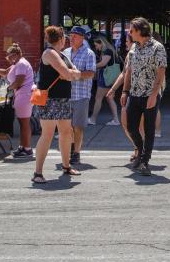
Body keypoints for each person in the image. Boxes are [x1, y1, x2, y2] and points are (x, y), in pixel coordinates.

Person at [32, 25, 80, 184]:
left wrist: (71, 74)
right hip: (50, 100)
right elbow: (69, 73)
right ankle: (37, 172)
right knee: (47, 134)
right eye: (65, 37)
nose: (66, 40)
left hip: (63, 99)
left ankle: (66, 166)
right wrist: (71, 74)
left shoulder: (61, 55)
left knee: (66, 132)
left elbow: (75, 73)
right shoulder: (50, 53)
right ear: (60, 39)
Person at [121, 17, 167, 177]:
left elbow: (161, 71)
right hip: (134, 93)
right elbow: (128, 71)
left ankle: (145, 161)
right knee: (130, 126)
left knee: (149, 129)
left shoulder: (157, 47)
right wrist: (124, 91)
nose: (129, 33)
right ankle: (140, 151)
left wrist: (154, 94)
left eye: (131, 30)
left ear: (140, 31)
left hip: (149, 94)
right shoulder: (133, 48)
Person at [0, 44, 35, 158]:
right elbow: (5, 72)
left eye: (9, 57)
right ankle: (23, 147)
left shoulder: (21, 64)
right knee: (22, 123)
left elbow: (19, 82)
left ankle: (27, 149)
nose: (9, 60)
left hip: (24, 95)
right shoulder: (17, 64)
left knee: (24, 123)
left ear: (15, 55)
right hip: (22, 95)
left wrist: (7, 89)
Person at [64, 26, 97, 165]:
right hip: (66, 95)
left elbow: (90, 73)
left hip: (81, 95)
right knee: (67, 126)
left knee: (78, 126)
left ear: (82, 38)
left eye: (75, 36)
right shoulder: (65, 52)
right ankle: (70, 149)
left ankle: (76, 152)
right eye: (70, 36)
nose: (71, 38)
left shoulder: (89, 54)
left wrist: (75, 74)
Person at [89, 35, 120, 126]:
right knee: (109, 98)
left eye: (96, 45)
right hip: (110, 77)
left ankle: (93, 119)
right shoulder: (111, 50)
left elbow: (103, 63)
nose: (96, 47)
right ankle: (116, 120)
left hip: (106, 77)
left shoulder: (107, 51)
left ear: (101, 43)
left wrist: (91, 66)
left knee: (98, 98)